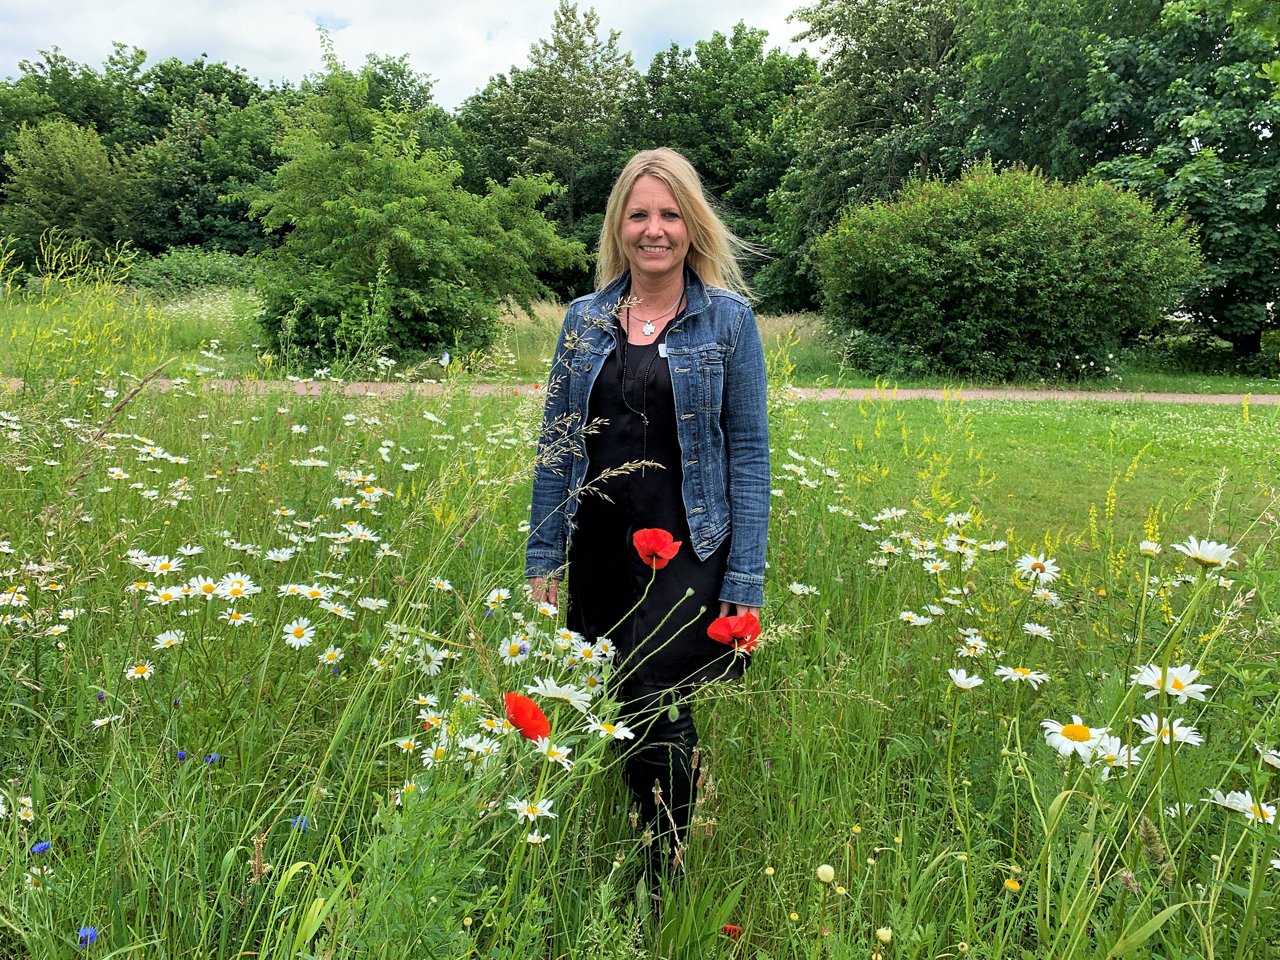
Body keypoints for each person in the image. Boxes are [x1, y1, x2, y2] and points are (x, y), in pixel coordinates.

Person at [525, 148, 770, 878]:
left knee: (655, 689)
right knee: (613, 688)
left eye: (669, 215)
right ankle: (658, 805)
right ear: (619, 227)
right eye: (640, 215)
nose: (654, 230)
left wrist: (745, 578)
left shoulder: (727, 322)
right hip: (599, 544)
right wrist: (544, 558)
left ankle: (662, 865)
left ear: (692, 227)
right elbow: (557, 448)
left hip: (691, 545)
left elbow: (749, 454)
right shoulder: (583, 321)